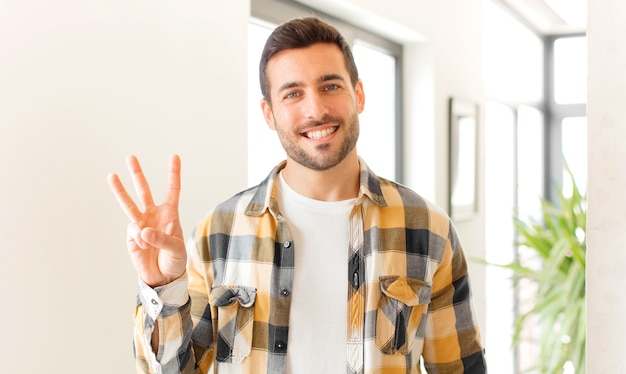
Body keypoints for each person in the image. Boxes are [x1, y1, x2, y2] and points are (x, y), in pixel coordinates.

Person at [108, 17, 487, 374]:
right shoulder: (218, 231)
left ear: (359, 94)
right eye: (292, 93)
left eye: (331, 86)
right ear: (269, 114)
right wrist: (164, 288)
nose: (316, 109)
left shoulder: (427, 228)